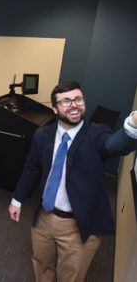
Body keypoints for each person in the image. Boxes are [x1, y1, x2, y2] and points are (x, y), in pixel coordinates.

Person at [8, 81, 137, 282]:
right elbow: (32, 168)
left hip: (78, 225)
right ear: (55, 108)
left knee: (71, 276)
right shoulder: (43, 135)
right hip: (44, 218)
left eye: (78, 99)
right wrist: (17, 200)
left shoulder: (97, 133)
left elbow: (115, 145)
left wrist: (134, 122)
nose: (74, 105)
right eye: (66, 101)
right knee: (42, 266)